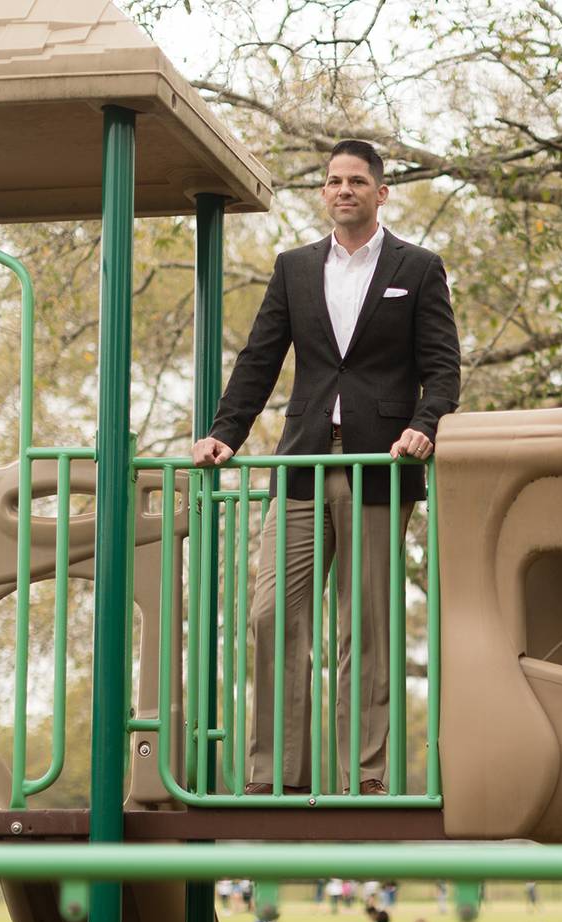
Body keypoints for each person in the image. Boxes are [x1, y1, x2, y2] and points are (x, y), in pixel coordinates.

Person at [194, 138, 462, 798]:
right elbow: (259, 359)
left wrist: (422, 429)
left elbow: (443, 372)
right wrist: (225, 433)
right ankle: (276, 776)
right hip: (302, 463)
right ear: (323, 192)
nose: (343, 190)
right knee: (269, 616)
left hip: (379, 468)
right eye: (333, 181)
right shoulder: (292, 269)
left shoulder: (418, 268)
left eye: (356, 181)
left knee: (363, 629)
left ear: (381, 192)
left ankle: (362, 779)